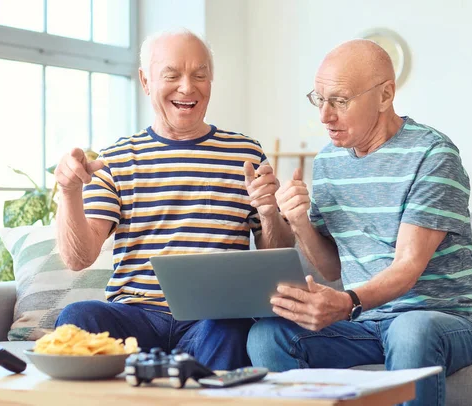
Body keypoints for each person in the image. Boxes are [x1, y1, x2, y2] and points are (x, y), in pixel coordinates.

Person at [247, 39, 472, 405]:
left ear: (385, 95)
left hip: (445, 321)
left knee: (410, 330)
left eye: (340, 100)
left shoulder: (432, 155)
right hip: (367, 325)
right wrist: (297, 219)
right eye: (318, 99)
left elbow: (407, 267)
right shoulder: (329, 161)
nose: (324, 116)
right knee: (267, 335)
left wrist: (347, 303)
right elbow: (331, 265)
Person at [53, 29, 294, 370]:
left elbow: (277, 257)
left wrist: (269, 214)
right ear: (145, 81)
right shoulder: (117, 159)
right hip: (134, 316)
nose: (187, 87)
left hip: (212, 320)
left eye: (200, 75)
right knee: (78, 316)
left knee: (232, 328)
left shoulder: (245, 154)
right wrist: (69, 192)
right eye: (172, 75)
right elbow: (78, 258)